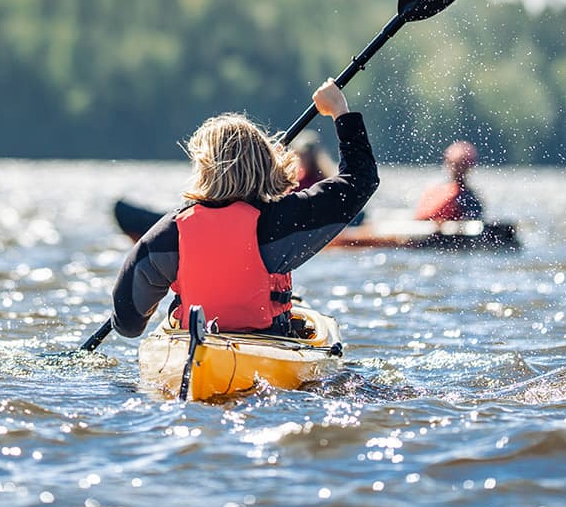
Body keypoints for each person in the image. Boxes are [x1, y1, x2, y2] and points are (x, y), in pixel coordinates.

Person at [109, 80, 378, 338]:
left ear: (204, 168)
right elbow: (360, 180)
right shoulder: (279, 221)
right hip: (268, 345)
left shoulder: (170, 231)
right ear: (264, 163)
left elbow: (128, 325)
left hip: (195, 344)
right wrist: (340, 110)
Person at [413, 140, 485, 223]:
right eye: (456, 164)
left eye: (463, 164)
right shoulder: (437, 191)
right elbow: (421, 217)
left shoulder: (471, 199)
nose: (459, 168)